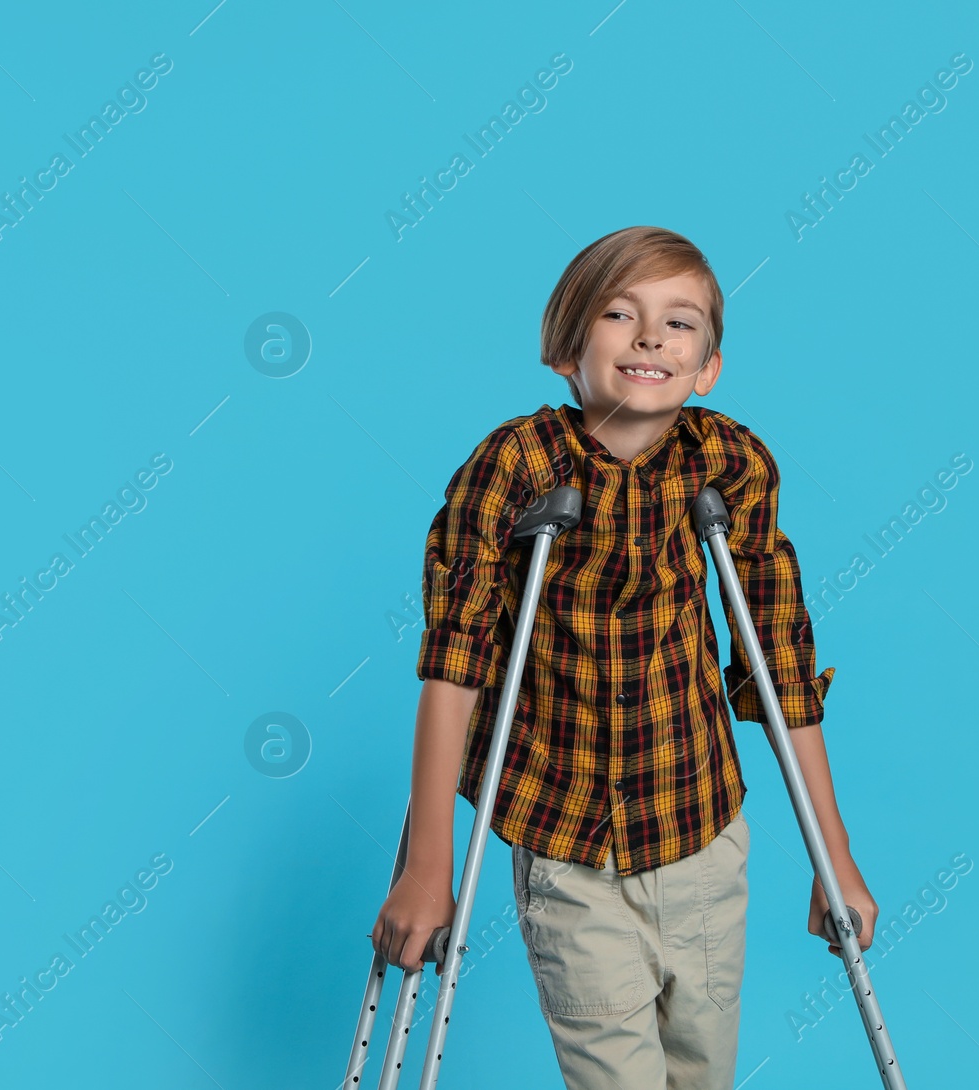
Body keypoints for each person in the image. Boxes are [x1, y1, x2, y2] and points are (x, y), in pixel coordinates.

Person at [369, 225, 877, 1088]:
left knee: (702, 1075)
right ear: (569, 346)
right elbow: (456, 661)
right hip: (570, 850)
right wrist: (429, 863)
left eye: (680, 324)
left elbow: (778, 660)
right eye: (619, 314)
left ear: (708, 366)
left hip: (703, 835)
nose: (650, 338)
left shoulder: (730, 462)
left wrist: (836, 860)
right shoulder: (515, 464)